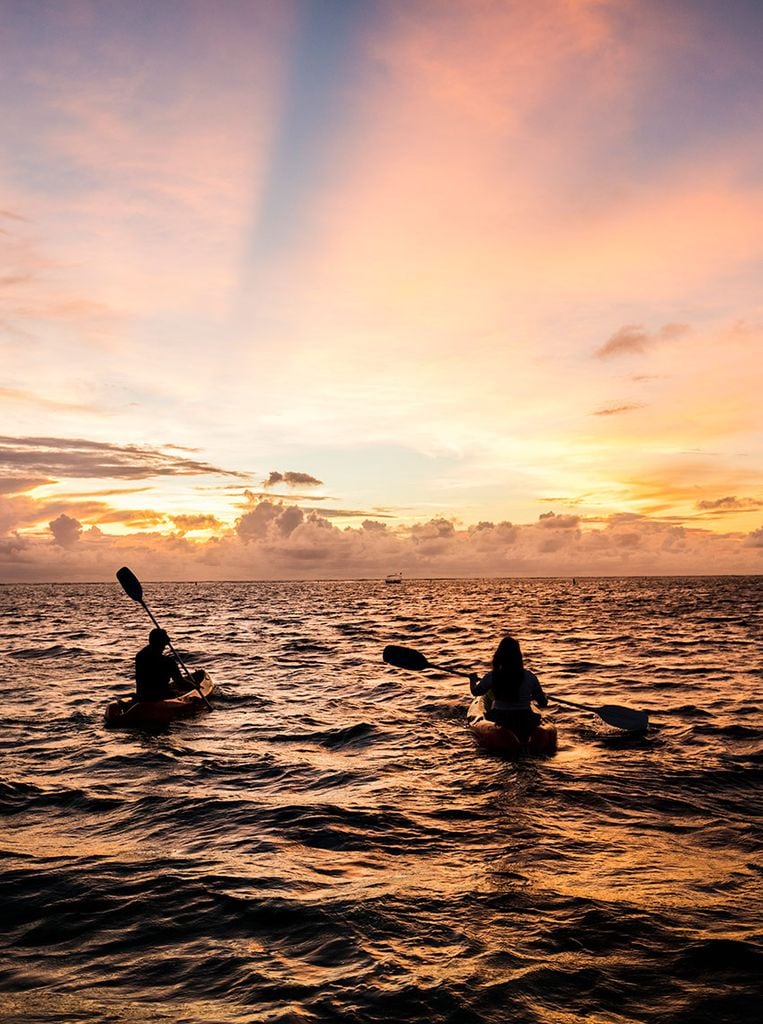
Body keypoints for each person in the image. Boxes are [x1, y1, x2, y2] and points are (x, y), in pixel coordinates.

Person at [468, 635, 548, 741]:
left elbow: (476, 692)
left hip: (501, 718)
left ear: (499, 656)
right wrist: (534, 696)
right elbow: (543, 703)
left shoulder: (493, 676)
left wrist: (472, 680)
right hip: (525, 718)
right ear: (518, 656)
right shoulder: (530, 677)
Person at [135, 628, 187, 702]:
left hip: (142, 696)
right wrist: (195, 686)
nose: (164, 647)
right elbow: (180, 682)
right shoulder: (168, 662)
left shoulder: (140, 656)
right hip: (161, 697)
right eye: (164, 644)